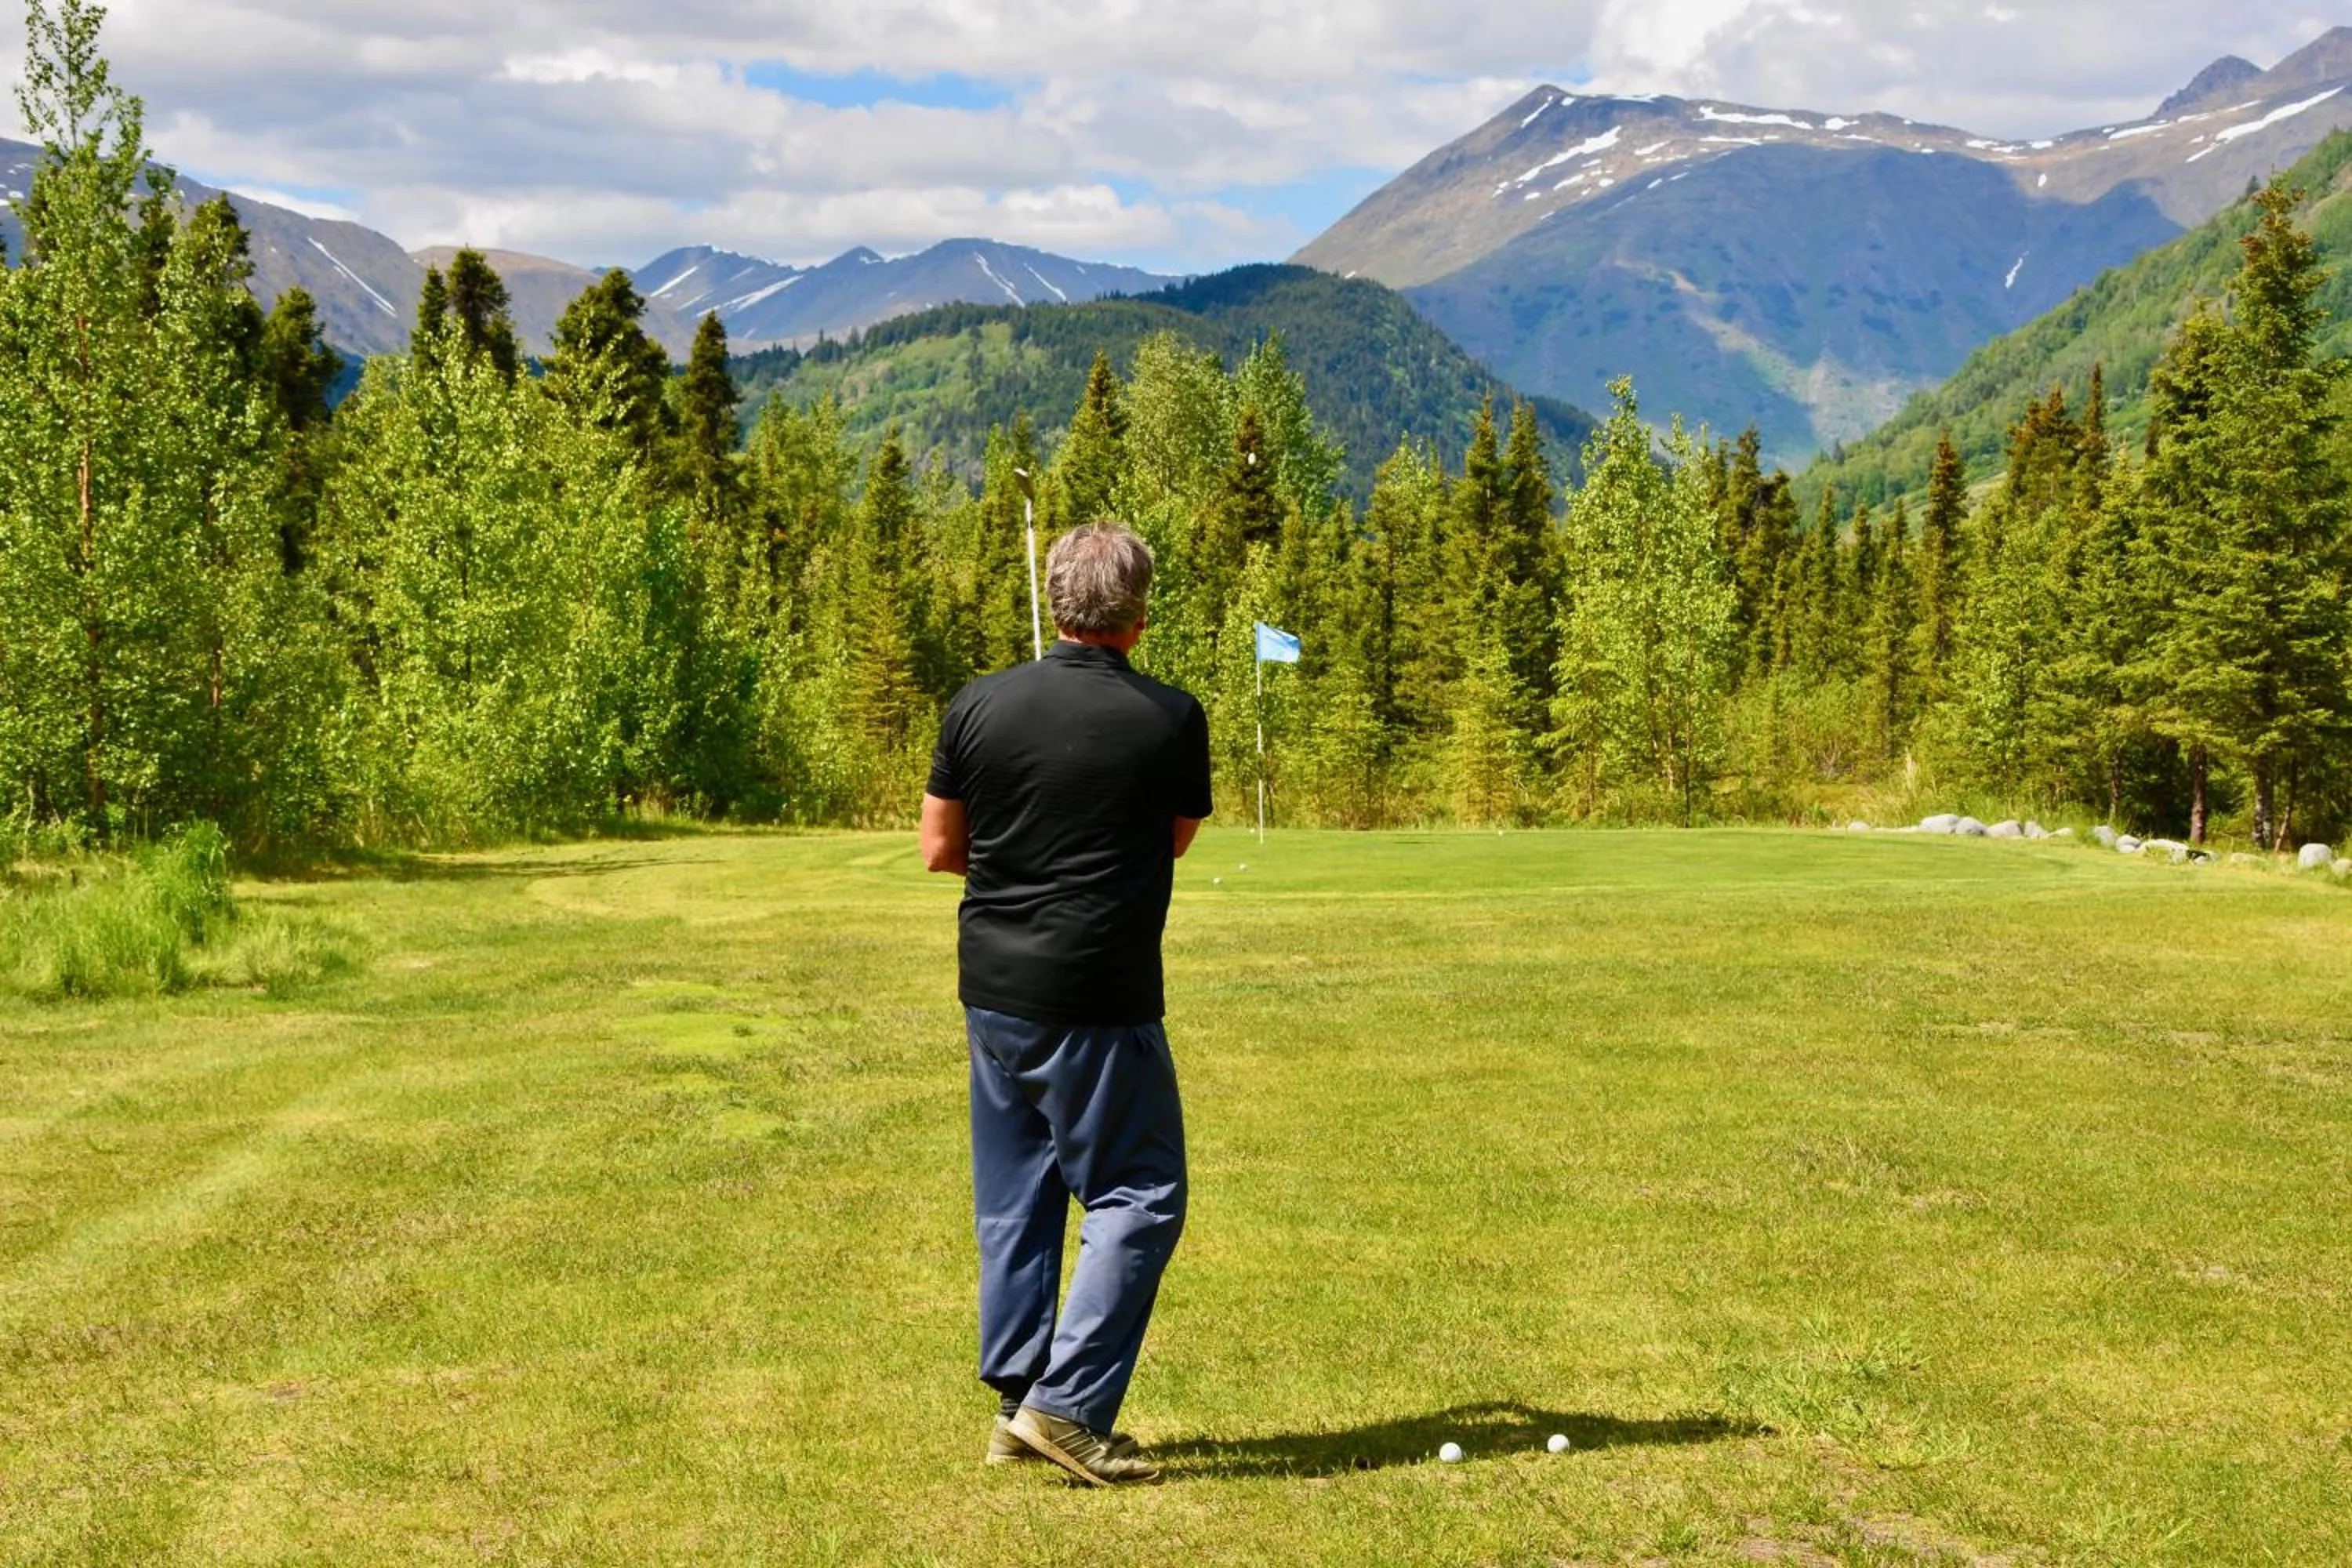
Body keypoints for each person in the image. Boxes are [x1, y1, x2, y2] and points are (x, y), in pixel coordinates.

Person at [920, 521, 1211, 1487]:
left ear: (1057, 601)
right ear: (1136, 612)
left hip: (993, 990)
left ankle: (1016, 1400)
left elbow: (940, 847)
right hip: (1099, 991)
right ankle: (1067, 1406)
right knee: (1141, 1194)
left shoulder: (977, 704)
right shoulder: (1171, 716)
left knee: (1018, 1195)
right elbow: (1172, 841)